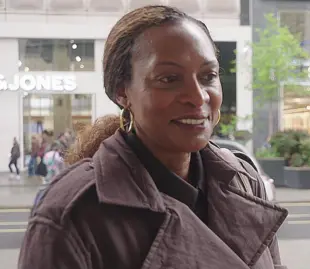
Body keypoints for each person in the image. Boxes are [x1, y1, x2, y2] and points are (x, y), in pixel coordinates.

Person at [19, 5, 288, 269]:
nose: (198, 97)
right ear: (122, 92)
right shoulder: (71, 215)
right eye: (169, 79)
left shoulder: (243, 180)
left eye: (208, 76)